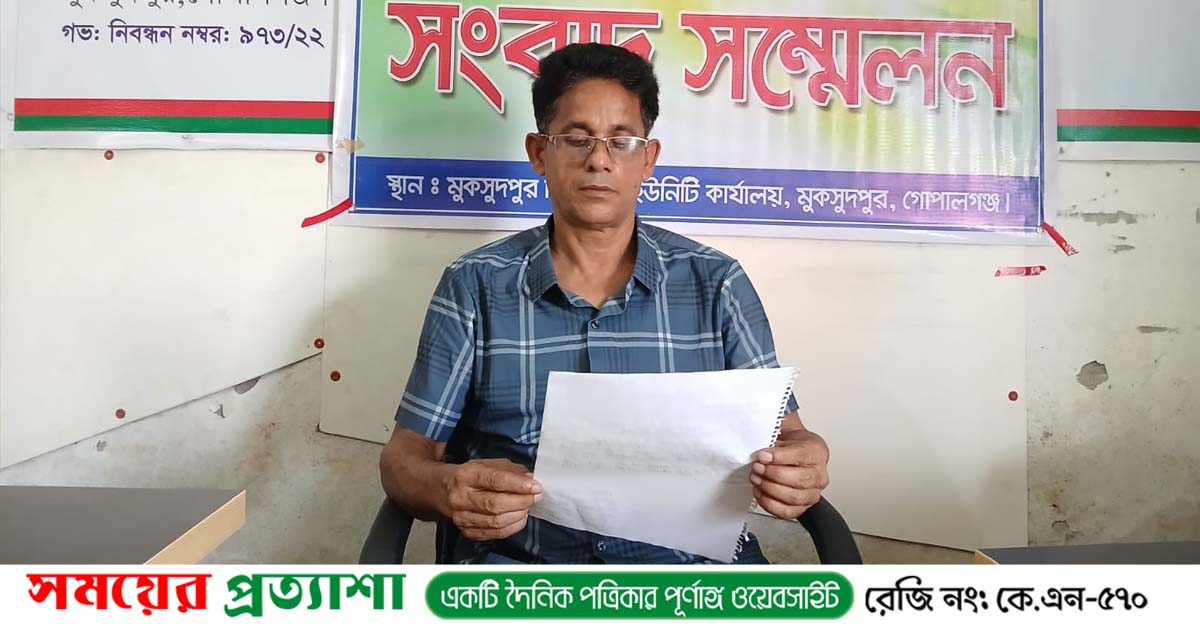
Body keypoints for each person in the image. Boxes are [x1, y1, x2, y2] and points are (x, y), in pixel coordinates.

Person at [379, 43, 829, 564]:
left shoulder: (717, 283)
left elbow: (790, 436)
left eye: (622, 141)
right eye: (576, 139)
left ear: (648, 159)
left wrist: (804, 462)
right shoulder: (474, 286)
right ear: (538, 153)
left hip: (694, 580)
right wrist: (448, 487)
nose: (599, 159)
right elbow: (404, 458)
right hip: (528, 577)